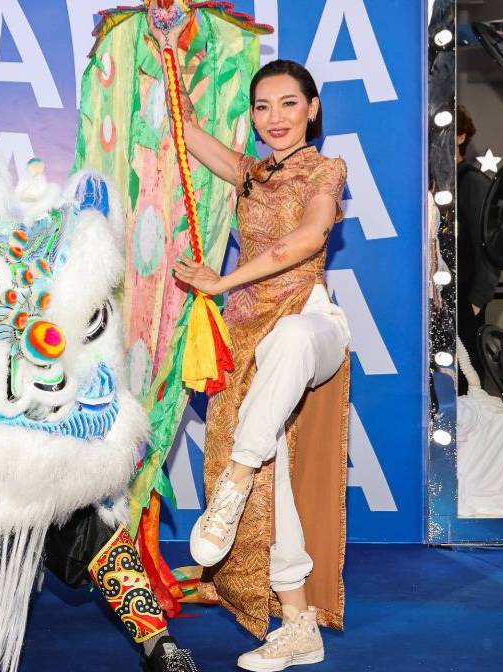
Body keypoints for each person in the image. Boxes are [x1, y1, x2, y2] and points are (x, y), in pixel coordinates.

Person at [162, 45, 350, 670]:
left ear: (312, 109)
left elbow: (311, 236)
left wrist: (223, 280)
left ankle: (233, 482)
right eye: (262, 107)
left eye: (289, 104)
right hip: (250, 335)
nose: (276, 118)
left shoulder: (327, 170)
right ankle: (297, 626)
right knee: (274, 470)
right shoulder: (249, 172)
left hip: (311, 323)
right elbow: (187, 131)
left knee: (293, 340)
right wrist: (168, 47)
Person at [455, 106, 499, 383]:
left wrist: (478, 299)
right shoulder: (429, 183)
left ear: (462, 136)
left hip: (465, 299)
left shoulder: (472, 182)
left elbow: (490, 244)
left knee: (467, 380)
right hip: (438, 299)